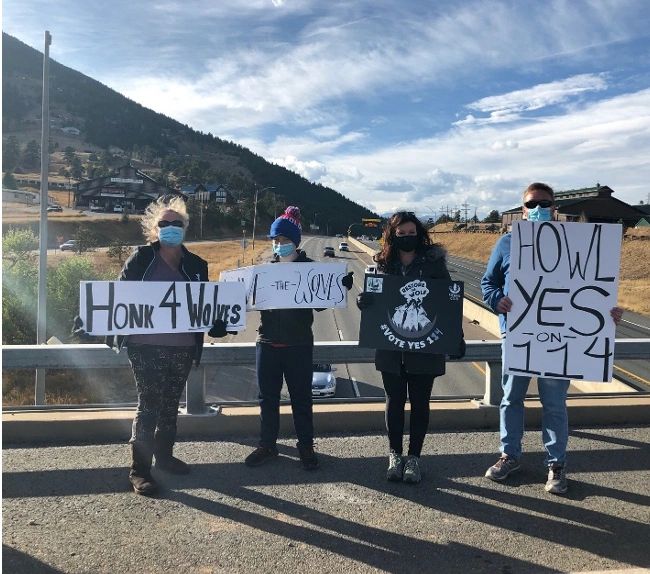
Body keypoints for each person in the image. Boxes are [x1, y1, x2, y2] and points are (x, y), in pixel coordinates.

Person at [481, 182, 623, 495]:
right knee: (510, 398)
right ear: (522, 210)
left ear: (554, 207)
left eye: (543, 203)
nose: (537, 209)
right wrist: (496, 301)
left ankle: (556, 463)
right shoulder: (507, 243)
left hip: (561, 337)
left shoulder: (578, 244)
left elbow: (595, 288)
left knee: (555, 403)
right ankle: (510, 455)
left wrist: (607, 312)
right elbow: (488, 283)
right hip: (518, 334)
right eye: (531, 204)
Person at [105, 196, 227, 496]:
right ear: (153, 229)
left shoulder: (197, 265)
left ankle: (165, 456)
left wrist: (217, 323)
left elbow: (203, 307)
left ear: (185, 228)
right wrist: (103, 324)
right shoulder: (141, 259)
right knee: (149, 405)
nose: (170, 228)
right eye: (164, 223)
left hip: (183, 347)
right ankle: (140, 470)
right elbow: (120, 296)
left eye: (176, 223)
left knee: (171, 405)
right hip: (145, 346)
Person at [356, 211, 463, 484]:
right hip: (391, 347)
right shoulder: (383, 263)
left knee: (420, 403)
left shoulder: (434, 264)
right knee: (393, 402)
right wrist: (364, 301)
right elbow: (376, 298)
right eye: (400, 234)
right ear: (392, 236)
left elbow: (448, 302)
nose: (406, 238)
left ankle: (414, 457)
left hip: (425, 346)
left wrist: (455, 336)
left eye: (411, 233)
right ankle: (394, 455)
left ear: (420, 233)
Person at [244, 206, 353, 470]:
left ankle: (305, 446)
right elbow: (247, 302)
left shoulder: (309, 269)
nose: (278, 244)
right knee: (266, 398)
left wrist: (339, 287)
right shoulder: (264, 270)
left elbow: (319, 305)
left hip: (299, 345)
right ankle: (267, 445)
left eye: (284, 240)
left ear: (295, 241)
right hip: (267, 342)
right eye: (275, 240)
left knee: (301, 398)